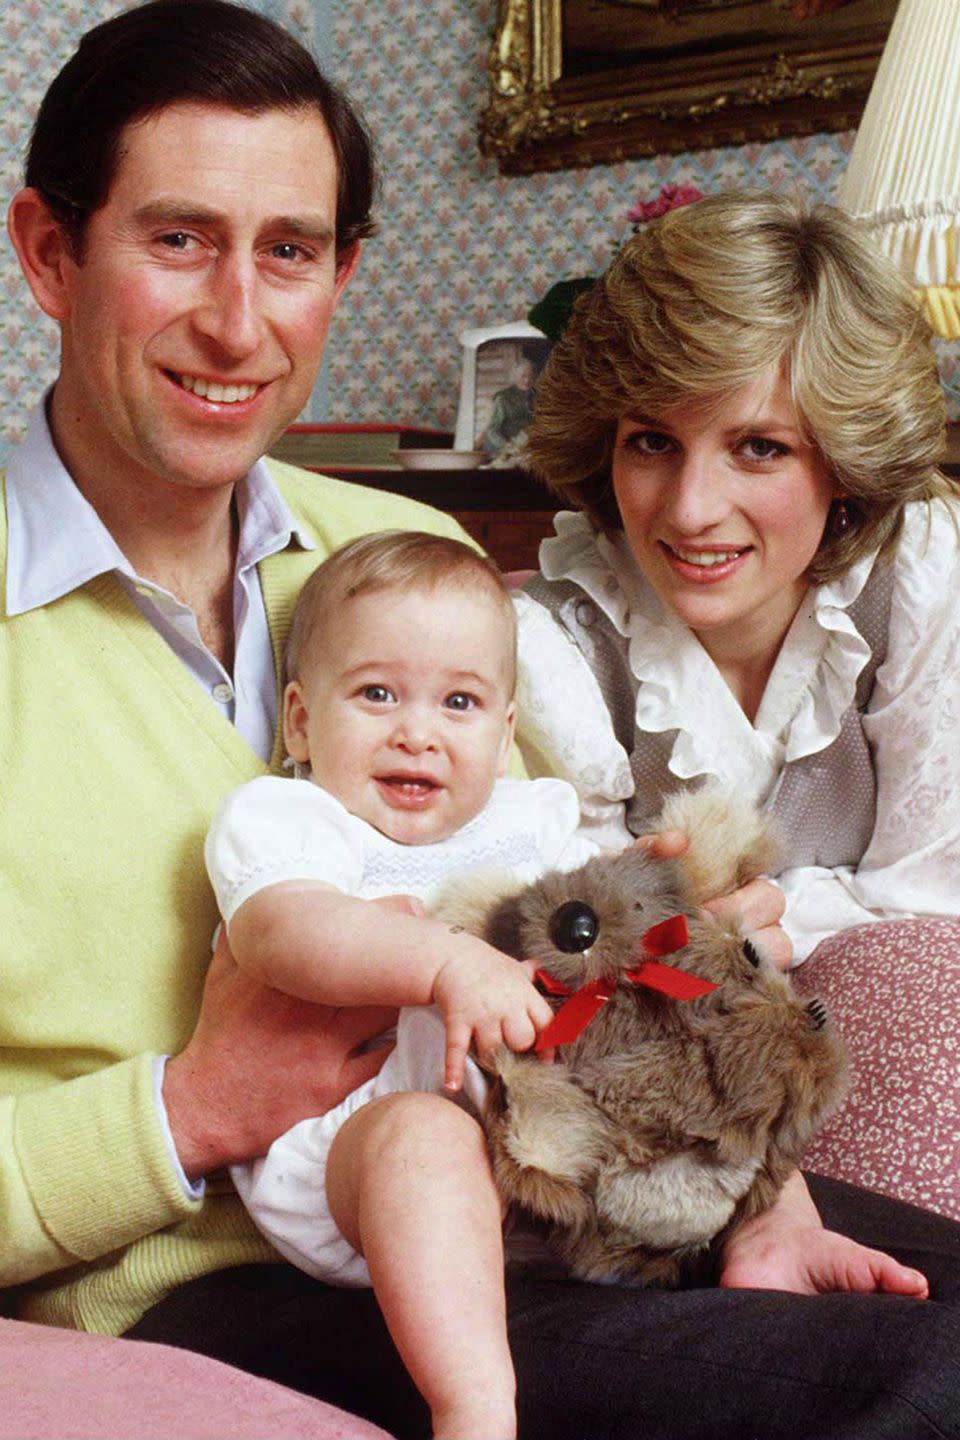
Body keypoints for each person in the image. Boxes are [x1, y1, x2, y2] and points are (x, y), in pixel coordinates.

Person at [1, 5, 959, 1437]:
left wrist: (758, 1194)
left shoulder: (402, 556)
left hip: (546, 1194)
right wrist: (185, 1110)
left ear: (344, 273)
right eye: (179, 240)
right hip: (234, 1271)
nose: (238, 323)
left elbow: (560, 936)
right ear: (48, 254)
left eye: (291, 251)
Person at [206, 529, 604, 1440]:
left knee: (690, 1037)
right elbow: (279, 933)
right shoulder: (297, 819)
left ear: (505, 735)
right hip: (356, 1155)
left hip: (541, 1155)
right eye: (377, 694)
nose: (417, 732)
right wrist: (442, 962)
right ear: (303, 721)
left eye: (459, 702)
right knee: (425, 1138)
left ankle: (779, 1230)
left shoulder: (528, 823)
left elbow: (610, 927)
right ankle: (473, 1409)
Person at [518, 189, 959, 962]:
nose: (690, 511)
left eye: (759, 447)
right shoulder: (556, 641)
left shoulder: (921, 571)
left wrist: (777, 917)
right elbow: (574, 944)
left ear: (845, 463)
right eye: (653, 442)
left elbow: (933, 900)